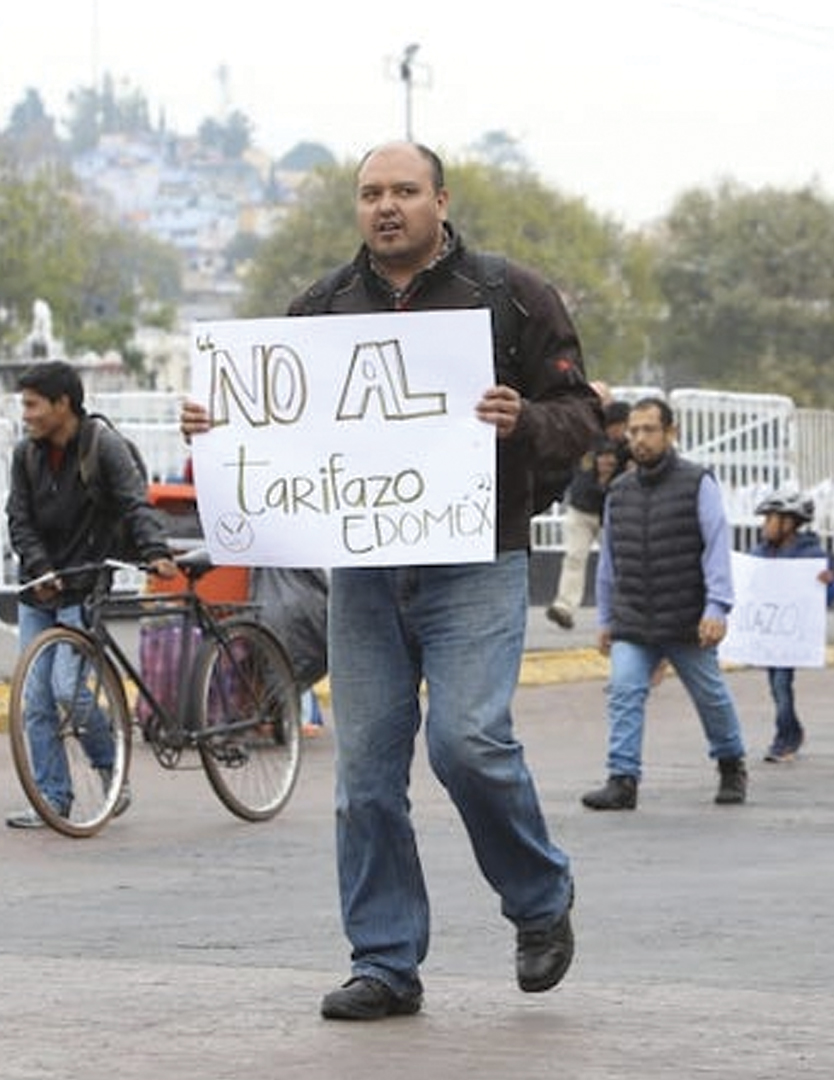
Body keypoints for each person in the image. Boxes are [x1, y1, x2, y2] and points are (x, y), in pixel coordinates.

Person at [180, 141, 599, 1021]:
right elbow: (276, 422)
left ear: (441, 200)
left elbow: (583, 416)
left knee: (467, 743)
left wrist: (524, 419)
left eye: (405, 191)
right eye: (371, 192)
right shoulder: (319, 309)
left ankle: (539, 899)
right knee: (365, 775)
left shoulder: (509, 296)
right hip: (365, 573)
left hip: (477, 561)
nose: (387, 207)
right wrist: (219, 426)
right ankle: (384, 961)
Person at [3, 360, 175, 830]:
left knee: (65, 687)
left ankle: (110, 769)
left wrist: (156, 550)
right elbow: (18, 519)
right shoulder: (25, 455)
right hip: (39, 590)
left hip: (87, 584)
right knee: (34, 698)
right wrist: (39, 568)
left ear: (63, 405)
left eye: (34, 405)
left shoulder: (103, 445)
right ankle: (53, 799)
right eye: (24, 405)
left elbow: (134, 503)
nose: (28, 415)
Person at [580, 397, 751, 809]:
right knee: (623, 690)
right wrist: (605, 618)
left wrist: (717, 608)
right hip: (633, 617)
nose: (639, 438)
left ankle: (731, 764)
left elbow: (716, 547)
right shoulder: (618, 492)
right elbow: (609, 562)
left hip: (686, 617)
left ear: (670, 433)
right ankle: (622, 780)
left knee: (710, 695)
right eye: (634, 431)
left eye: (649, 430)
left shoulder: (698, 482)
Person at [750, 488, 834, 762]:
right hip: (770, 636)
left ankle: (786, 739)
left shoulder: (810, 554)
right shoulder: (760, 553)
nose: (765, 526)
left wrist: (827, 583)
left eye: (771, 519)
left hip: (791, 638)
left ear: (789, 522)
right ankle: (791, 731)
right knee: (776, 686)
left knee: (781, 684)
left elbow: (828, 596)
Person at [545, 396, 631, 630]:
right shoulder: (591, 443)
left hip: (612, 514)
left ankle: (623, 609)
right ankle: (564, 607)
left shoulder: (629, 450)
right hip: (583, 509)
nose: (622, 431)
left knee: (619, 562)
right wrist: (601, 478)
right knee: (574, 557)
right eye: (620, 425)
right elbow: (581, 478)